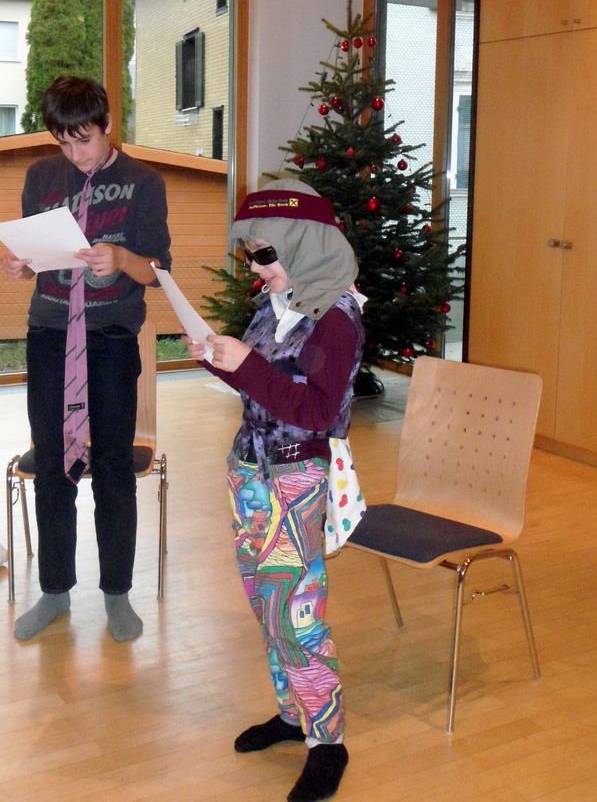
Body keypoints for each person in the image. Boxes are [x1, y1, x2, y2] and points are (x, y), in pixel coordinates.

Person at [185, 179, 364, 802]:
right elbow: (259, 381)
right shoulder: (280, 302)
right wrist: (215, 355)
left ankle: (328, 739)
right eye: (250, 254)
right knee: (266, 603)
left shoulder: (336, 317)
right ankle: (293, 714)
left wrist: (248, 365)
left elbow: (316, 412)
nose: (256, 266)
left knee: (296, 613)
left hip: (294, 475)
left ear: (304, 244)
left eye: (266, 254)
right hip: (250, 471)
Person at [0, 75, 172, 643]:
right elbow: (35, 256)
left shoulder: (143, 182)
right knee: (53, 465)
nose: (75, 155)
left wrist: (121, 257)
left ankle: (117, 594)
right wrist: (20, 264)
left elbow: (157, 271)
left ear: (108, 125)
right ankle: (54, 592)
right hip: (50, 332)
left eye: (85, 140)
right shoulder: (40, 177)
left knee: (114, 467)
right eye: (63, 143)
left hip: (112, 336)